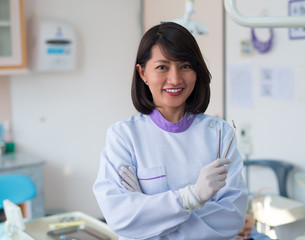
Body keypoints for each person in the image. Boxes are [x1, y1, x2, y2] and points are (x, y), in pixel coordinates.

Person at [93, 22, 248, 240]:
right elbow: (120, 218)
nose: (175, 79)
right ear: (143, 73)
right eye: (162, 67)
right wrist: (192, 198)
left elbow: (232, 219)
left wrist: (149, 212)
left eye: (185, 66)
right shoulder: (124, 137)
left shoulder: (219, 135)